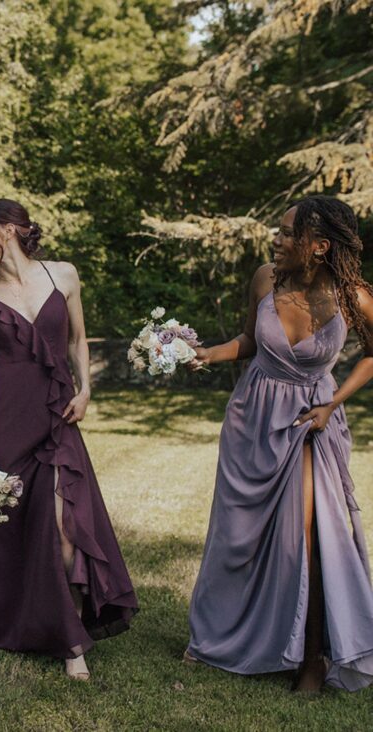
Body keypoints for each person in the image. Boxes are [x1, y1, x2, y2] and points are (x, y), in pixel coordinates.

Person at [187, 196, 373, 692]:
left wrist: (333, 405)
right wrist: (209, 354)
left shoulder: (352, 294)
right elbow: (248, 342)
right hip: (253, 419)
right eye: (279, 230)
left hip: (311, 423)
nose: (277, 239)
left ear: (318, 246)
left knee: (309, 538)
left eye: (289, 233)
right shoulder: (265, 280)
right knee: (237, 536)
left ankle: (312, 657)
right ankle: (220, 637)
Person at [0, 198, 137, 680]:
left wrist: (86, 390)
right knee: (16, 528)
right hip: (8, 422)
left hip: (57, 415)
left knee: (64, 529)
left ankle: (71, 634)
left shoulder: (64, 275)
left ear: (4, 229)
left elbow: (79, 339)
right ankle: (46, 626)